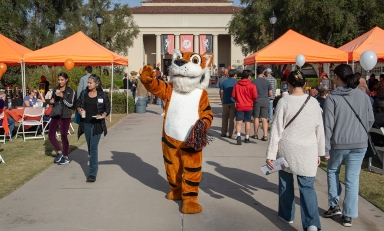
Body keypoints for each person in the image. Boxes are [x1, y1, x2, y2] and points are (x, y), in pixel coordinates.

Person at [266, 70, 324, 231]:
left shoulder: (284, 102)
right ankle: (311, 223)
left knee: (286, 183)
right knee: (307, 187)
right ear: (305, 84)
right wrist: (320, 152)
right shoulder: (313, 102)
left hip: (288, 148)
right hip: (308, 149)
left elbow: (276, 130)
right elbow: (320, 130)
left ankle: (286, 214)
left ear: (288, 85)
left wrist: (270, 154)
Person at [323, 64, 374, 227]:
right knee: (352, 178)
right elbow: (370, 119)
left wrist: (325, 147)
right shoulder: (363, 96)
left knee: (332, 171)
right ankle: (348, 215)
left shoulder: (332, 98)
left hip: (339, 143)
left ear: (337, 77)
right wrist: (360, 131)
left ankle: (334, 205)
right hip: (359, 142)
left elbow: (328, 125)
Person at [77, 74, 110, 182]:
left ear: (96, 84)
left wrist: (104, 114)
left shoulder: (102, 95)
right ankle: (93, 165)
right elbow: (78, 103)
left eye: (90, 83)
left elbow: (107, 108)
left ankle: (92, 173)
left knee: (93, 147)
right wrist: (79, 109)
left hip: (97, 124)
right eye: (88, 82)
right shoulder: (83, 93)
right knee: (90, 147)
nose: (88, 84)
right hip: (86, 123)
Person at [49, 72, 75, 165]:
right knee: (51, 134)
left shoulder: (70, 91)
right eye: (59, 79)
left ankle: (66, 156)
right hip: (56, 114)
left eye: (62, 80)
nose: (60, 81)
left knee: (63, 135)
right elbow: (52, 101)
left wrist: (62, 96)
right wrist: (51, 102)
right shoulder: (55, 89)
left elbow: (71, 104)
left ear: (66, 80)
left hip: (65, 115)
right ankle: (59, 152)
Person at [231, 69, 257, 145]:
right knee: (247, 122)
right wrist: (251, 101)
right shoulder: (252, 85)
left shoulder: (237, 85)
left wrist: (238, 100)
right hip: (249, 106)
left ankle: (238, 135)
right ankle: (247, 138)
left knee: (238, 121)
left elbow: (233, 95)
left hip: (239, 106)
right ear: (249, 76)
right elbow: (255, 96)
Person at [252, 66, 272, 141]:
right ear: (263, 72)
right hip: (265, 100)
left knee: (256, 118)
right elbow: (270, 93)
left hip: (257, 100)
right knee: (264, 118)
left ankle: (256, 134)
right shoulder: (267, 82)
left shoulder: (253, 82)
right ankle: (265, 135)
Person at [220, 69, 237, 138]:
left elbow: (222, 92)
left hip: (225, 102)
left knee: (225, 117)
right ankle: (231, 134)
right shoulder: (237, 82)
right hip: (234, 102)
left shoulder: (224, 82)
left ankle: (223, 132)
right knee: (232, 118)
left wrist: (222, 100)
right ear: (235, 75)